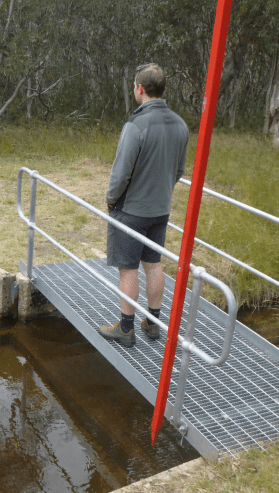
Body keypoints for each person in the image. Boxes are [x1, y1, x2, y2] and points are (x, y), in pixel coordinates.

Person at [98, 63, 189, 348]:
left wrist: (111, 200)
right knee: (153, 264)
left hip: (131, 211)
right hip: (160, 210)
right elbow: (179, 170)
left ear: (140, 88)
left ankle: (125, 329)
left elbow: (121, 173)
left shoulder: (136, 125)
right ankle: (152, 322)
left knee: (127, 270)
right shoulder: (181, 125)